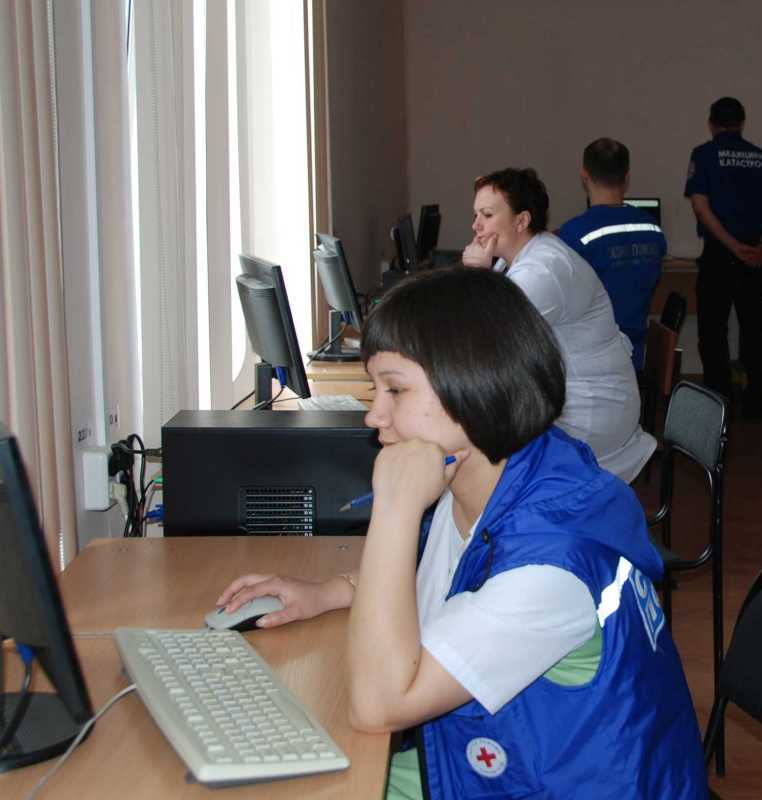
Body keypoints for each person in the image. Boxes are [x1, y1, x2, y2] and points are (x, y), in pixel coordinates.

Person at [216, 268, 707, 799]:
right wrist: (330, 591)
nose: (374, 415)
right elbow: (444, 580)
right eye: (375, 389)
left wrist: (396, 509)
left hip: (553, 782)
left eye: (395, 389)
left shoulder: (550, 565)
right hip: (505, 753)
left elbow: (379, 705)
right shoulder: (496, 468)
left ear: (475, 386)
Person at [462, 166, 655, 483]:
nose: (476, 226)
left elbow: (483, 343)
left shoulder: (542, 271)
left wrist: (476, 277)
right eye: (475, 215)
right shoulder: (515, 260)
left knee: (474, 447)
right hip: (569, 398)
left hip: (590, 414)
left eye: (487, 215)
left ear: (521, 221)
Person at [685, 96, 762, 418]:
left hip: (720, 253)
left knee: (713, 330)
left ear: (711, 124)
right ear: (742, 123)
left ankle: (720, 402)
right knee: (753, 327)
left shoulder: (704, 154)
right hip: (755, 256)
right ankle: (755, 402)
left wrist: (731, 245)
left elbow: (701, 207)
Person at [558, 137, 667, 372]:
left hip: (590, 363)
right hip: (635, 357)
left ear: (584, 175)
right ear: (626, 176)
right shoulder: (652, 229)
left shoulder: (573, 234)